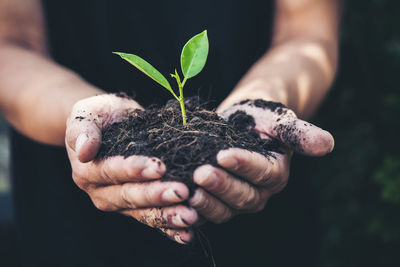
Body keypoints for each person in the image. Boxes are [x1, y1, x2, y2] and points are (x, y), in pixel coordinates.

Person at [0, 0, 340, 266]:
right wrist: (83, 114)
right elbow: (10, 44)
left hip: (259, 222)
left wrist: (264, 104)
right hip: (72, 216)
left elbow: (306, 32)